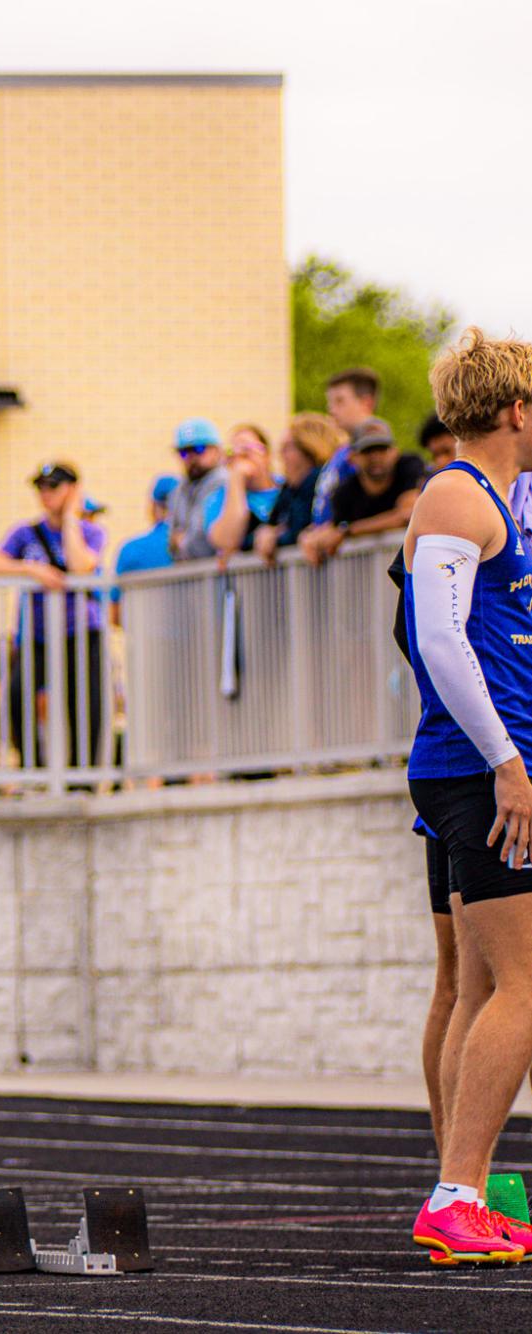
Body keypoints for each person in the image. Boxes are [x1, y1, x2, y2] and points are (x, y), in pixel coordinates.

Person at [402, 329, 532, 1266]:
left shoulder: (494, 500)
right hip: (478, 769)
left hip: (481, 766)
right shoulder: (454, 492)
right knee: (525, 986)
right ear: (516, 409)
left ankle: (462, 1190)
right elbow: (438, 640)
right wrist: (506, 761)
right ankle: (457, 1194)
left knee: (484, 983)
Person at [0, 462, 105, 769]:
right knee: (17, 696)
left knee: (83, 706)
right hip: (38, 635)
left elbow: (81, 564)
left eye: (53, 487)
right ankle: (34, 770)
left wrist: (71, 517)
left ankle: (82, 777)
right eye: (41, 487)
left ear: (72, 489)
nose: (45, 494)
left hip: (80, 632)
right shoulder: (24, 533)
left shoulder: (91, 532)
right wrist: (30, 569)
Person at [300, 417, 424, 566]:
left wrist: (349, 531)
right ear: (352, 457)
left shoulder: (409, 467)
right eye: (368, 451)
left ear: (394, 452)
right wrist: (308, 539)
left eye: (382, 449)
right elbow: (331, 532)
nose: (376, 457)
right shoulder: (344, 492)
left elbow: (407, 515)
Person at [253, 413, 346, 562]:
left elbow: (300, 528)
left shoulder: (319, 482)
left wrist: (276, 537)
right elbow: (266, 528)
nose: (281, 456)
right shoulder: (289, 489)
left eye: (287, 448)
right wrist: (264, 533)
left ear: (310, 449)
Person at [311, 365, 381, 525]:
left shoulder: (378, 453)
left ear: (366, 403)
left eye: (339, 401)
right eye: (330, 402)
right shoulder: (340, 453)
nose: (331, 409)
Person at [203, 423, 283, 557]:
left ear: (266, 455)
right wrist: (236, 479)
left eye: (246, 450)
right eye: (231, 453)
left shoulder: (285, 487)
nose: (238, 458)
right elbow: (226, 541)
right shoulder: (218, 498)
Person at [165, 417, 229, 560]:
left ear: (217, 450)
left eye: (199, 449)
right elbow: (170, 544)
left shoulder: (224, 481)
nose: (191, 457)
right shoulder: (179, 489)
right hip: (194, 578)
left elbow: (203, 545)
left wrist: (183, 542)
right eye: (184, 452)